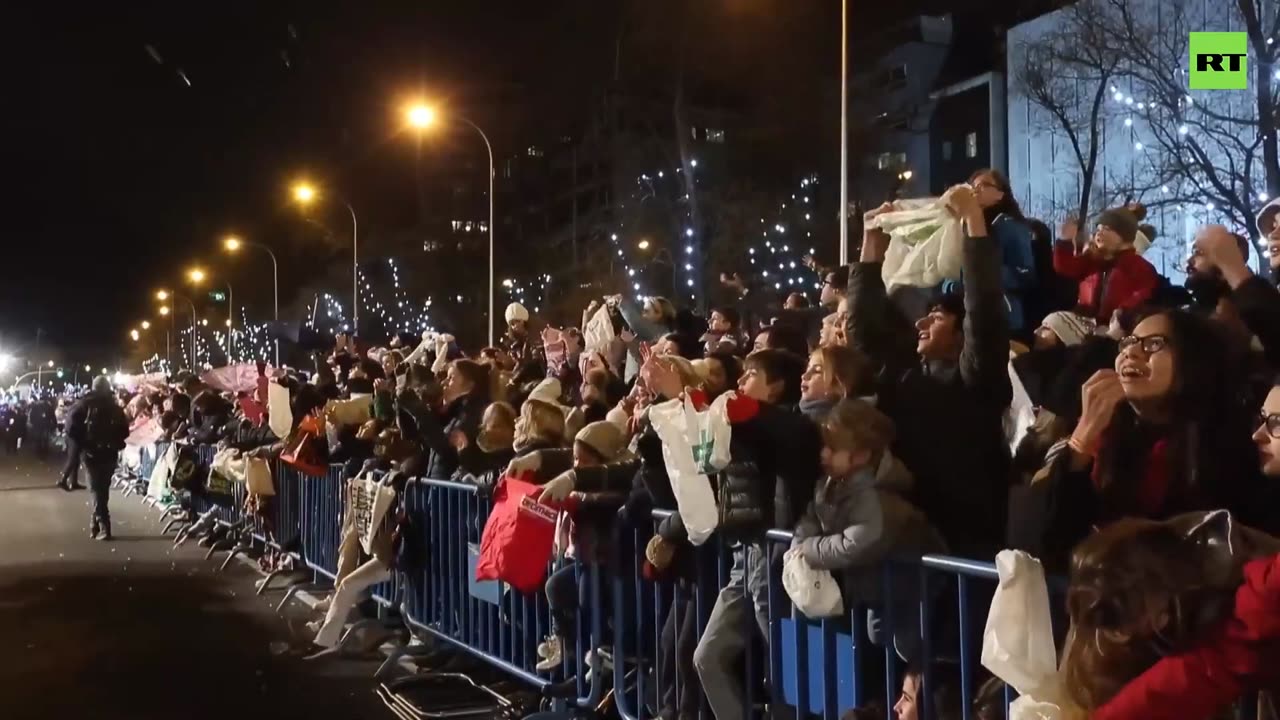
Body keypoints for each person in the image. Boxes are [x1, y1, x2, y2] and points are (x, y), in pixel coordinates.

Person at [1015, 307, 1275, 570]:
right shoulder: (1103, 440)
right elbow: (1036, 548)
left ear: (1193, 362)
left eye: (1153, 344)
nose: (1130, 352)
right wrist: (1082, 438)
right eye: (1127, 342)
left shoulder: (1236, 445)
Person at [848, 184, 1012, 554]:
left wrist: (973, 219)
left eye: (936, 318)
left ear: (960, 333)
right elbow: (863, 332)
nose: (921, 325)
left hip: (967, 542)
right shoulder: (904, 375)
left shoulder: (975, 379)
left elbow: (983, 309)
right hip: (909, 542)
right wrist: (871, 240)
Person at [792, 399, 944, 661]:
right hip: (876, 585)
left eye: (833, 448)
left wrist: (808, 550)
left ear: (861, 455)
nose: (824, 454)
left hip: (912, 585)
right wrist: (800, 543)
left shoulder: (876, 493)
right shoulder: (830, 484)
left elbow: (860, 540)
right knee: (879, 636)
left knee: (909, 646)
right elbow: (812, 517)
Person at [1054, 206, 1159, 324]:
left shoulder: (1140, 267)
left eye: (1107, 228)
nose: (1099, 233)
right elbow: (1065, 267)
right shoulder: (1093, 260)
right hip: (1085, 320)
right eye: (1098, 229)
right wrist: (1065, 241)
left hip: (1115, 327)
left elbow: (1140, 298)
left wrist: (1119, 318)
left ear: (1124, 236)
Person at [66, 376, 129, 540]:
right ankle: (95, 524)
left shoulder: (84, 404)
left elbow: (71, 427)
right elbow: (125, 431)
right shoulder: (115, 407)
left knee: (95, 490)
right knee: (102, 491)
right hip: (110, 453)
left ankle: (104, 526)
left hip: (91, 453)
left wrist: (81, 443)